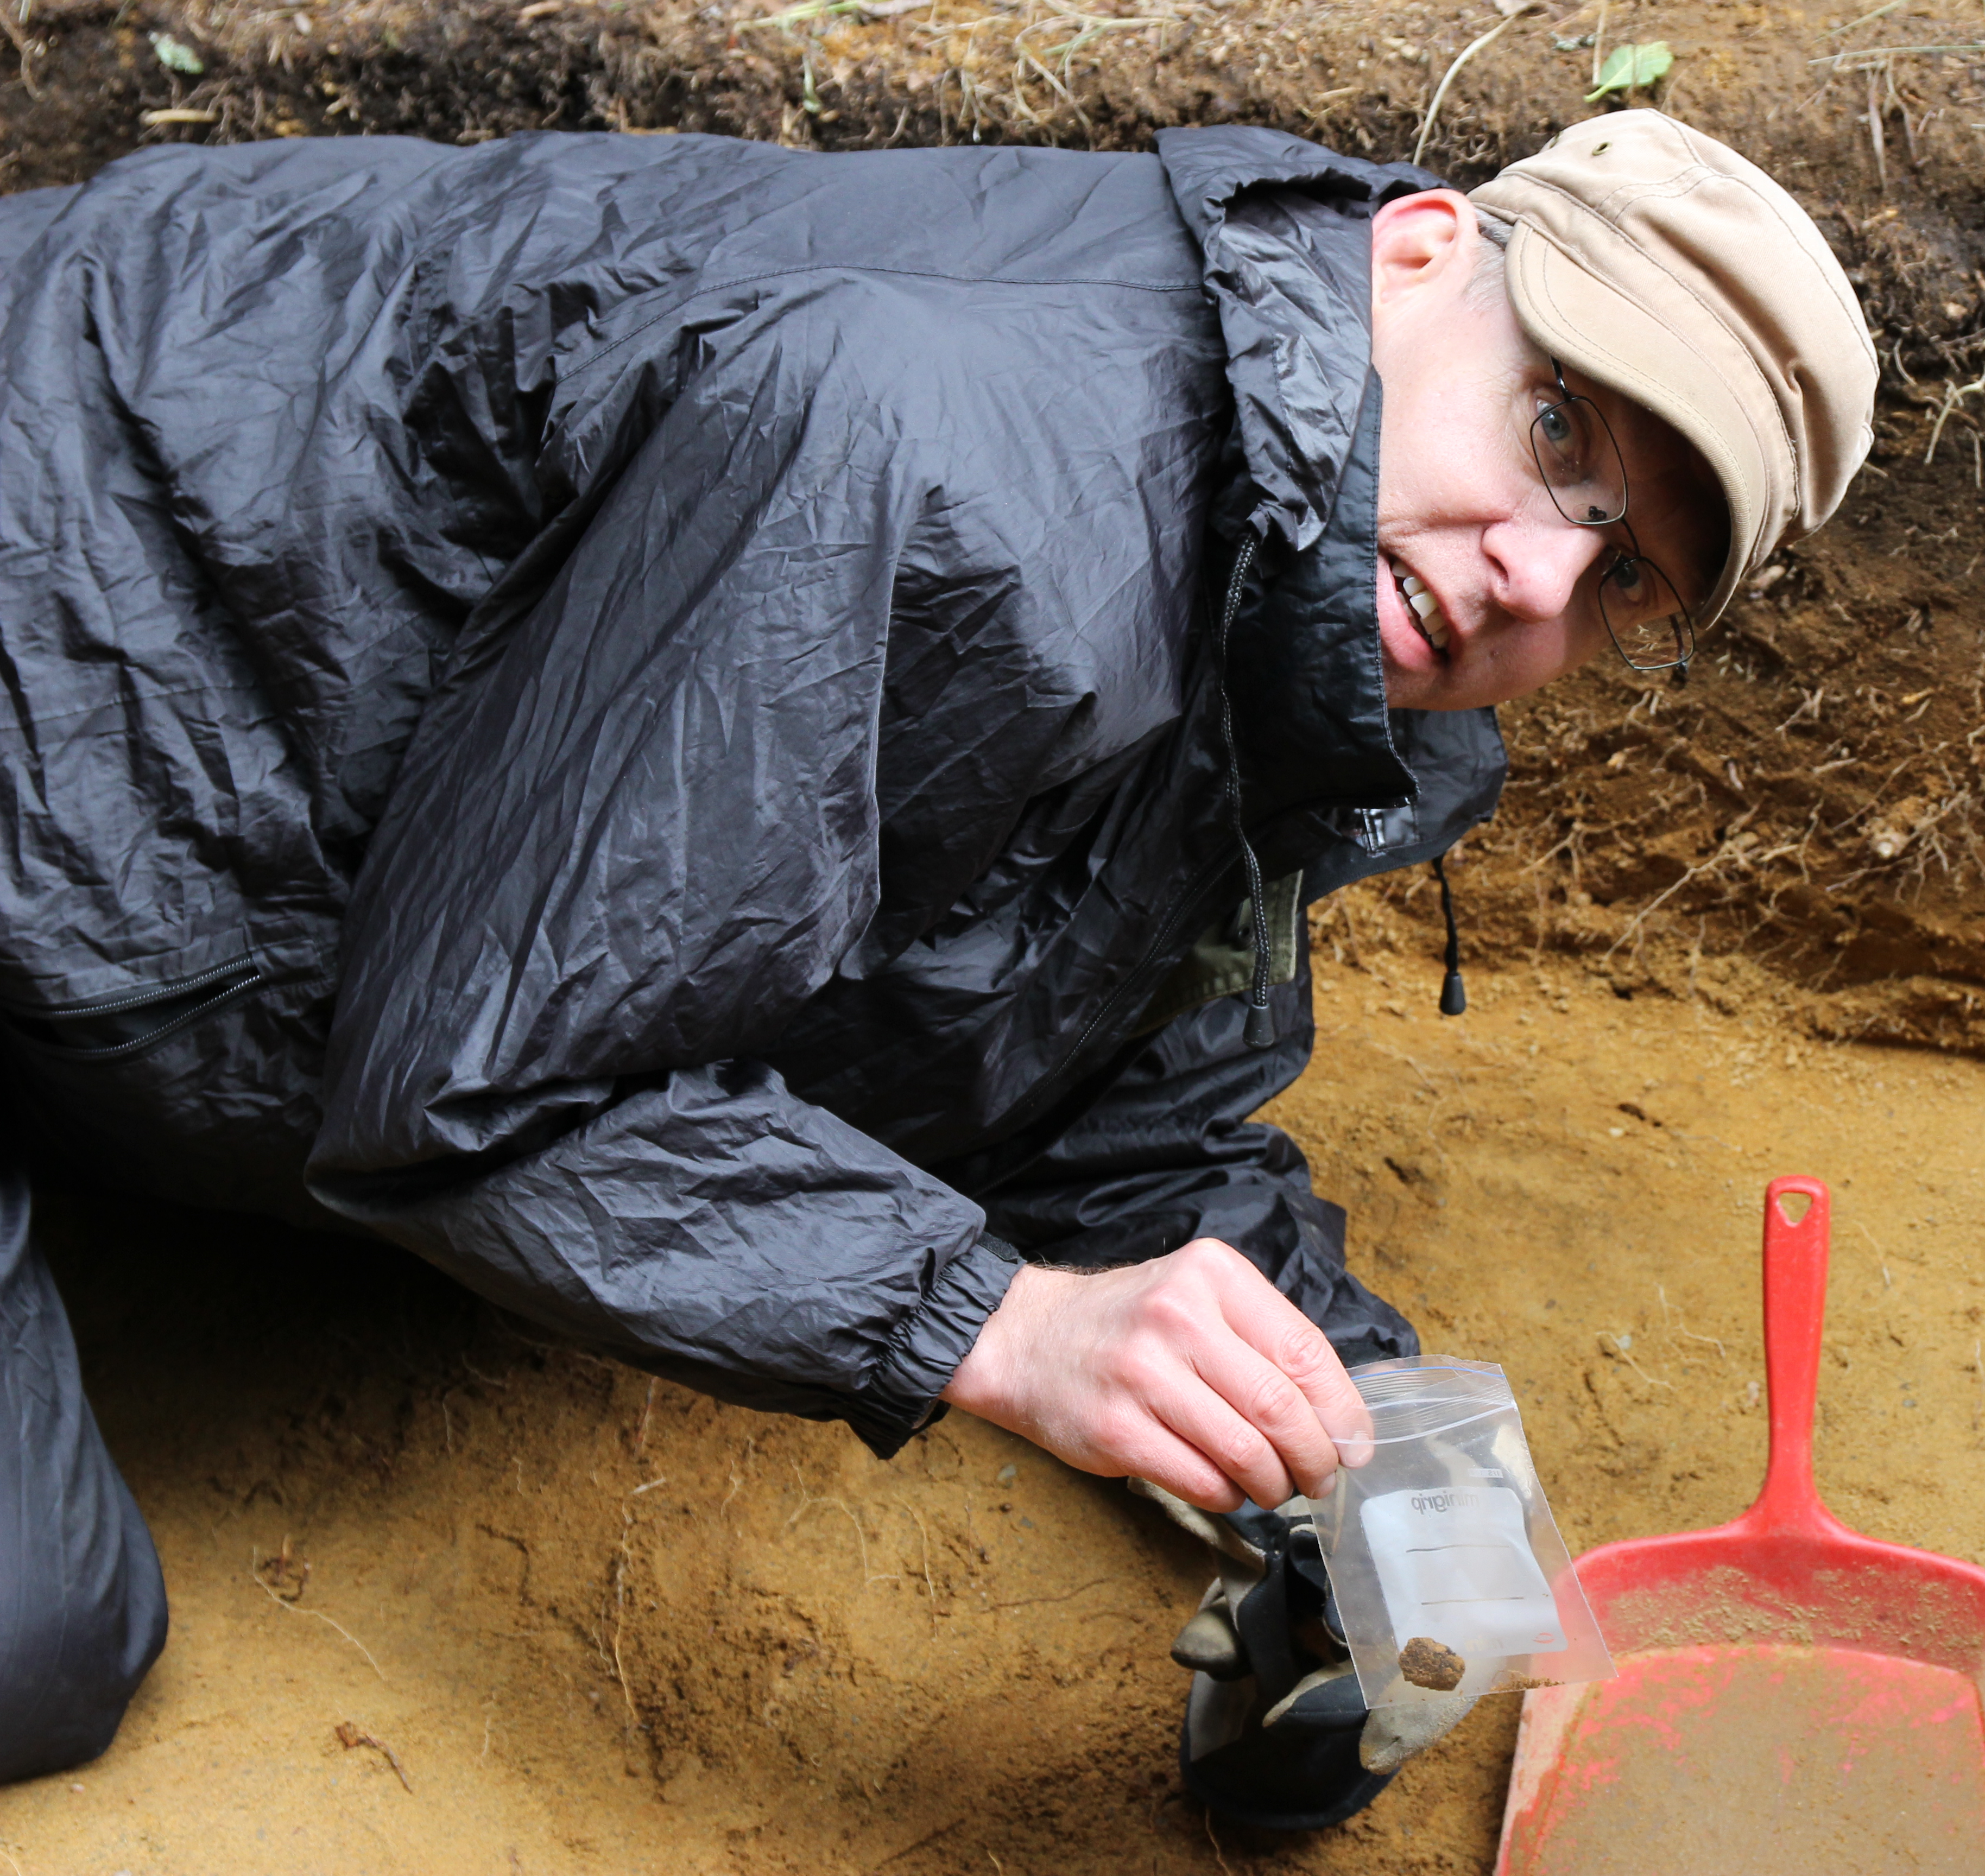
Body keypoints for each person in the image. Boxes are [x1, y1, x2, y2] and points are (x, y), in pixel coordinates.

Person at [0, 107, 1876, 1820]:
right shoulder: (941, 455)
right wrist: (1001, 1321)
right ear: (1416, 252)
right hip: (62, 631)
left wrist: (1365, 1448)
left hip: (189, 829)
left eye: (1624, 577)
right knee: (34, 1638)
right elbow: (466, 1091)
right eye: (1558, 434)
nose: (1539, 584)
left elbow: (1083, 1065)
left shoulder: (1296, 563)